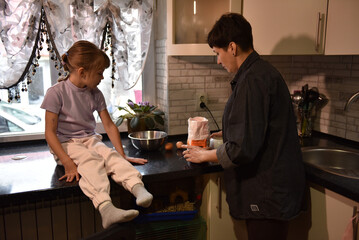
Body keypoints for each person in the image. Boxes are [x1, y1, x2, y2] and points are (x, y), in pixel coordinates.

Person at [182, 13, 306, 240]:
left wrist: (205, 155)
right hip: (273, 193)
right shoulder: (260, 72)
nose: (218, 61)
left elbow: (242, 148)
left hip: (268, 195)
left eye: (217, 53)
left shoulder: (252, 80)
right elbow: (257, 127)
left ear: (232, 47)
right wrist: (228, 132)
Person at [41, 40, 153, 229]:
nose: (102, 77)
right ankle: (106, 208)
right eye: (99, 73)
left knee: (110, 156)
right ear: (82, 72)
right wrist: (67, 162)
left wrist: (122, 154)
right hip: (65, 144)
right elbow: (49, 133)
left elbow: (109, 126)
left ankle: (138, 188)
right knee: (90, 160)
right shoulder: (56, 93)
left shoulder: (95, 93)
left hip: (88, 138)